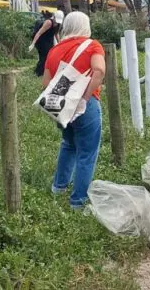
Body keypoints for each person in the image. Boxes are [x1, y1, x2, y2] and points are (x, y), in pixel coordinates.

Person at [42, 11, 105, 209]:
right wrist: (84, 98)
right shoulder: (92, 45)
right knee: (87, 153)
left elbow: (45, 83)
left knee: (68, 144)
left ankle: (58, 187)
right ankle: (78, 201)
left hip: (60, 105)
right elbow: (100, 70)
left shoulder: (54, 50)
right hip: (86, 106)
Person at [30, 10, 64, 76]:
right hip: (41, 40)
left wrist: (60, 44)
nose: (56, 23)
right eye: (56, 20)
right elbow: (39, 33)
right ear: (54, 17)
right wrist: (33, 43)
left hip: (49, 40)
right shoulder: (48, 22)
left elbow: (56, 33)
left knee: (50, 55)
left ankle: (45, 71)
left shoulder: (58, 24)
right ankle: (38, 73)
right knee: (44, 56)